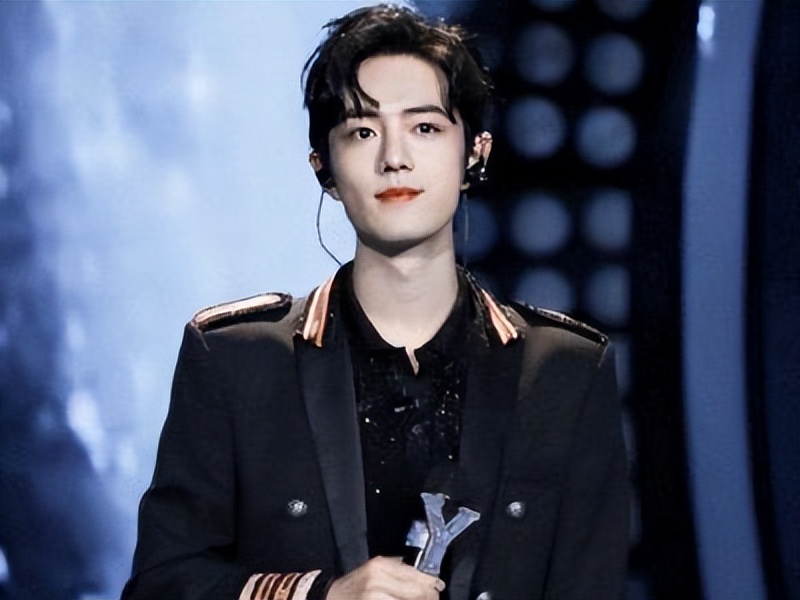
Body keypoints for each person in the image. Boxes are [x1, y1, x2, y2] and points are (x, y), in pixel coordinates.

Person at [121, 5, 630, 600]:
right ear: (324, 168)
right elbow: (160, 586)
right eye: (362, 132)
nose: (394, 157)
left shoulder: (565, 372)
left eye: (425, 128)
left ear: (475, 152)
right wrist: (321, 595)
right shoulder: (236, 361)